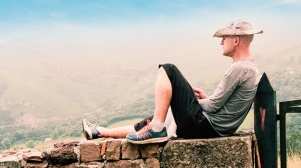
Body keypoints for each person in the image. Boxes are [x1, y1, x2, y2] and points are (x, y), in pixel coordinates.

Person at [83, 20, 263, 144]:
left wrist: (192, 101)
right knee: (155, 118)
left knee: (168, 70)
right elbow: (220, 104)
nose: (221, 42)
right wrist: (200, 99)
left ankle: (157, 129)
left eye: (225, 38)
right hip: (211, 127)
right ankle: (100, 131)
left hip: (204, 127)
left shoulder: (240, 68)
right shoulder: (249, 68)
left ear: (237, 40)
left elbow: (213, 106)